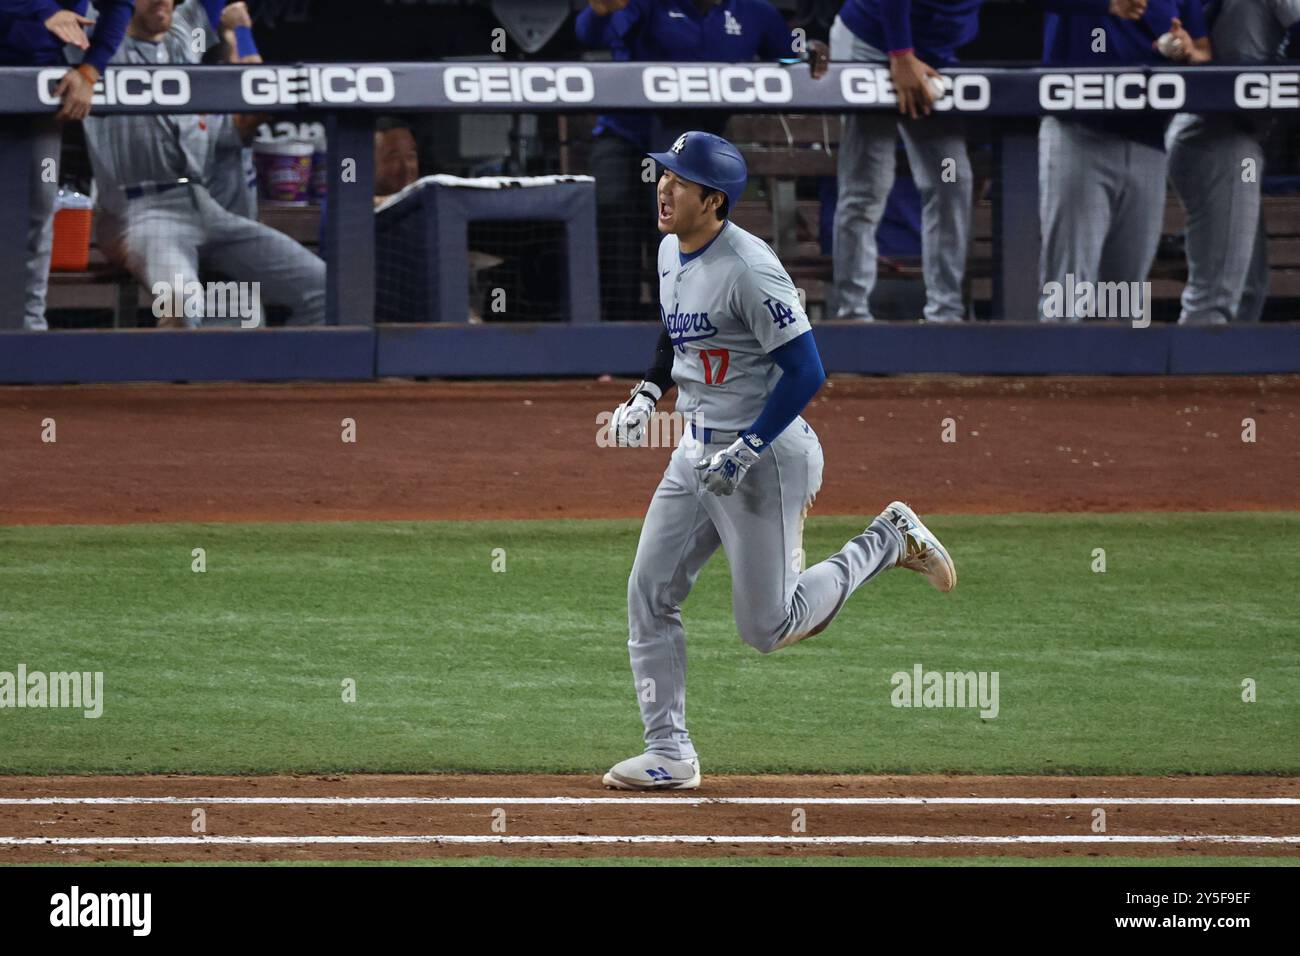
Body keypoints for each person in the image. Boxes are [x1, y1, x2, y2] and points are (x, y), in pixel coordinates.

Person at [601, 131, 956, 790]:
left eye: (680, 180)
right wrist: (649, 393)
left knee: (769, 628)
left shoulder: (750, 266)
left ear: (714, 200)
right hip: (695, 452)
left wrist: (748, 447)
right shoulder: (670, 249)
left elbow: (806, 369)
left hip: (765, 458)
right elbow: (676, 326)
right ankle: (670, 754)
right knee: (647, 594)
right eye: (665, 175)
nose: (664, 185)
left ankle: (887, 539)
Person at [575, 0, 826, 322]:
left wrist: (807, 49)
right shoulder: (646, 5)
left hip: (689, 148)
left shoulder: (755, 11)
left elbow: (786, 53)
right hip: (626, 133)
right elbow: (591, 34)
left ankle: (673, 331)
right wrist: (600, 12)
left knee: (676, 224)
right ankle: (614, 326)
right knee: (612, 207)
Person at [82, 0, 325, 327]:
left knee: (322, 287)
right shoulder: (96, 42)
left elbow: (237, 126)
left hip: (205, 207)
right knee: (180, 304)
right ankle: (152, 377)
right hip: (143, 214)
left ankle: (282, 373)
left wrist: (241, 34)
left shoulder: (181, 36)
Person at [1037, 0, 1208, 323]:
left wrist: (1182, 50)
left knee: (1124, 299)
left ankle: (1113, 372)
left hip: (1147, 138)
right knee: (1066, 294)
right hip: (1079, 131)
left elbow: (1202, 51)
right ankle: (1057, 368)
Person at [829, 0, 987, 323]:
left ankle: (946, 316)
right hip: (870, 43)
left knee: (950, 180)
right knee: (866, 185)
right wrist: (900, 53)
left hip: (934, 51)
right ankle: (852, 315)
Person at [0, 0, 133, 330]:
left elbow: (121, 6)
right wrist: (43, 9)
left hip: (38, 92)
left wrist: (92, 68)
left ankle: (27, 329)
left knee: (40, 201)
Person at [1167, 0, 1300, 324]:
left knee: (1248, 290)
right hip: (1218, 138)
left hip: (1240, 144)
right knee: (1216, 300)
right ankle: (1196, 373)